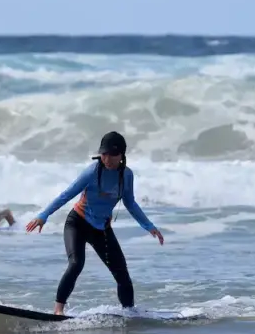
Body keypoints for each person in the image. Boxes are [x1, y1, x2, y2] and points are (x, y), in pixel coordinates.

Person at [26, 131, 164, 315]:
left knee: (122, 275)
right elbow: (67, 194)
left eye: (111, 154)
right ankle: (58, 311)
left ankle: (130, 314)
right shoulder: (92, 171)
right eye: (103, 153)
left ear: (121, 155)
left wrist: (149, 226)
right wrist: (43, 215)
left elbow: (130, 203)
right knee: (76, 264)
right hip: (78, 223)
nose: (106, 158)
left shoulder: (126, 176)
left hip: (101, 229)